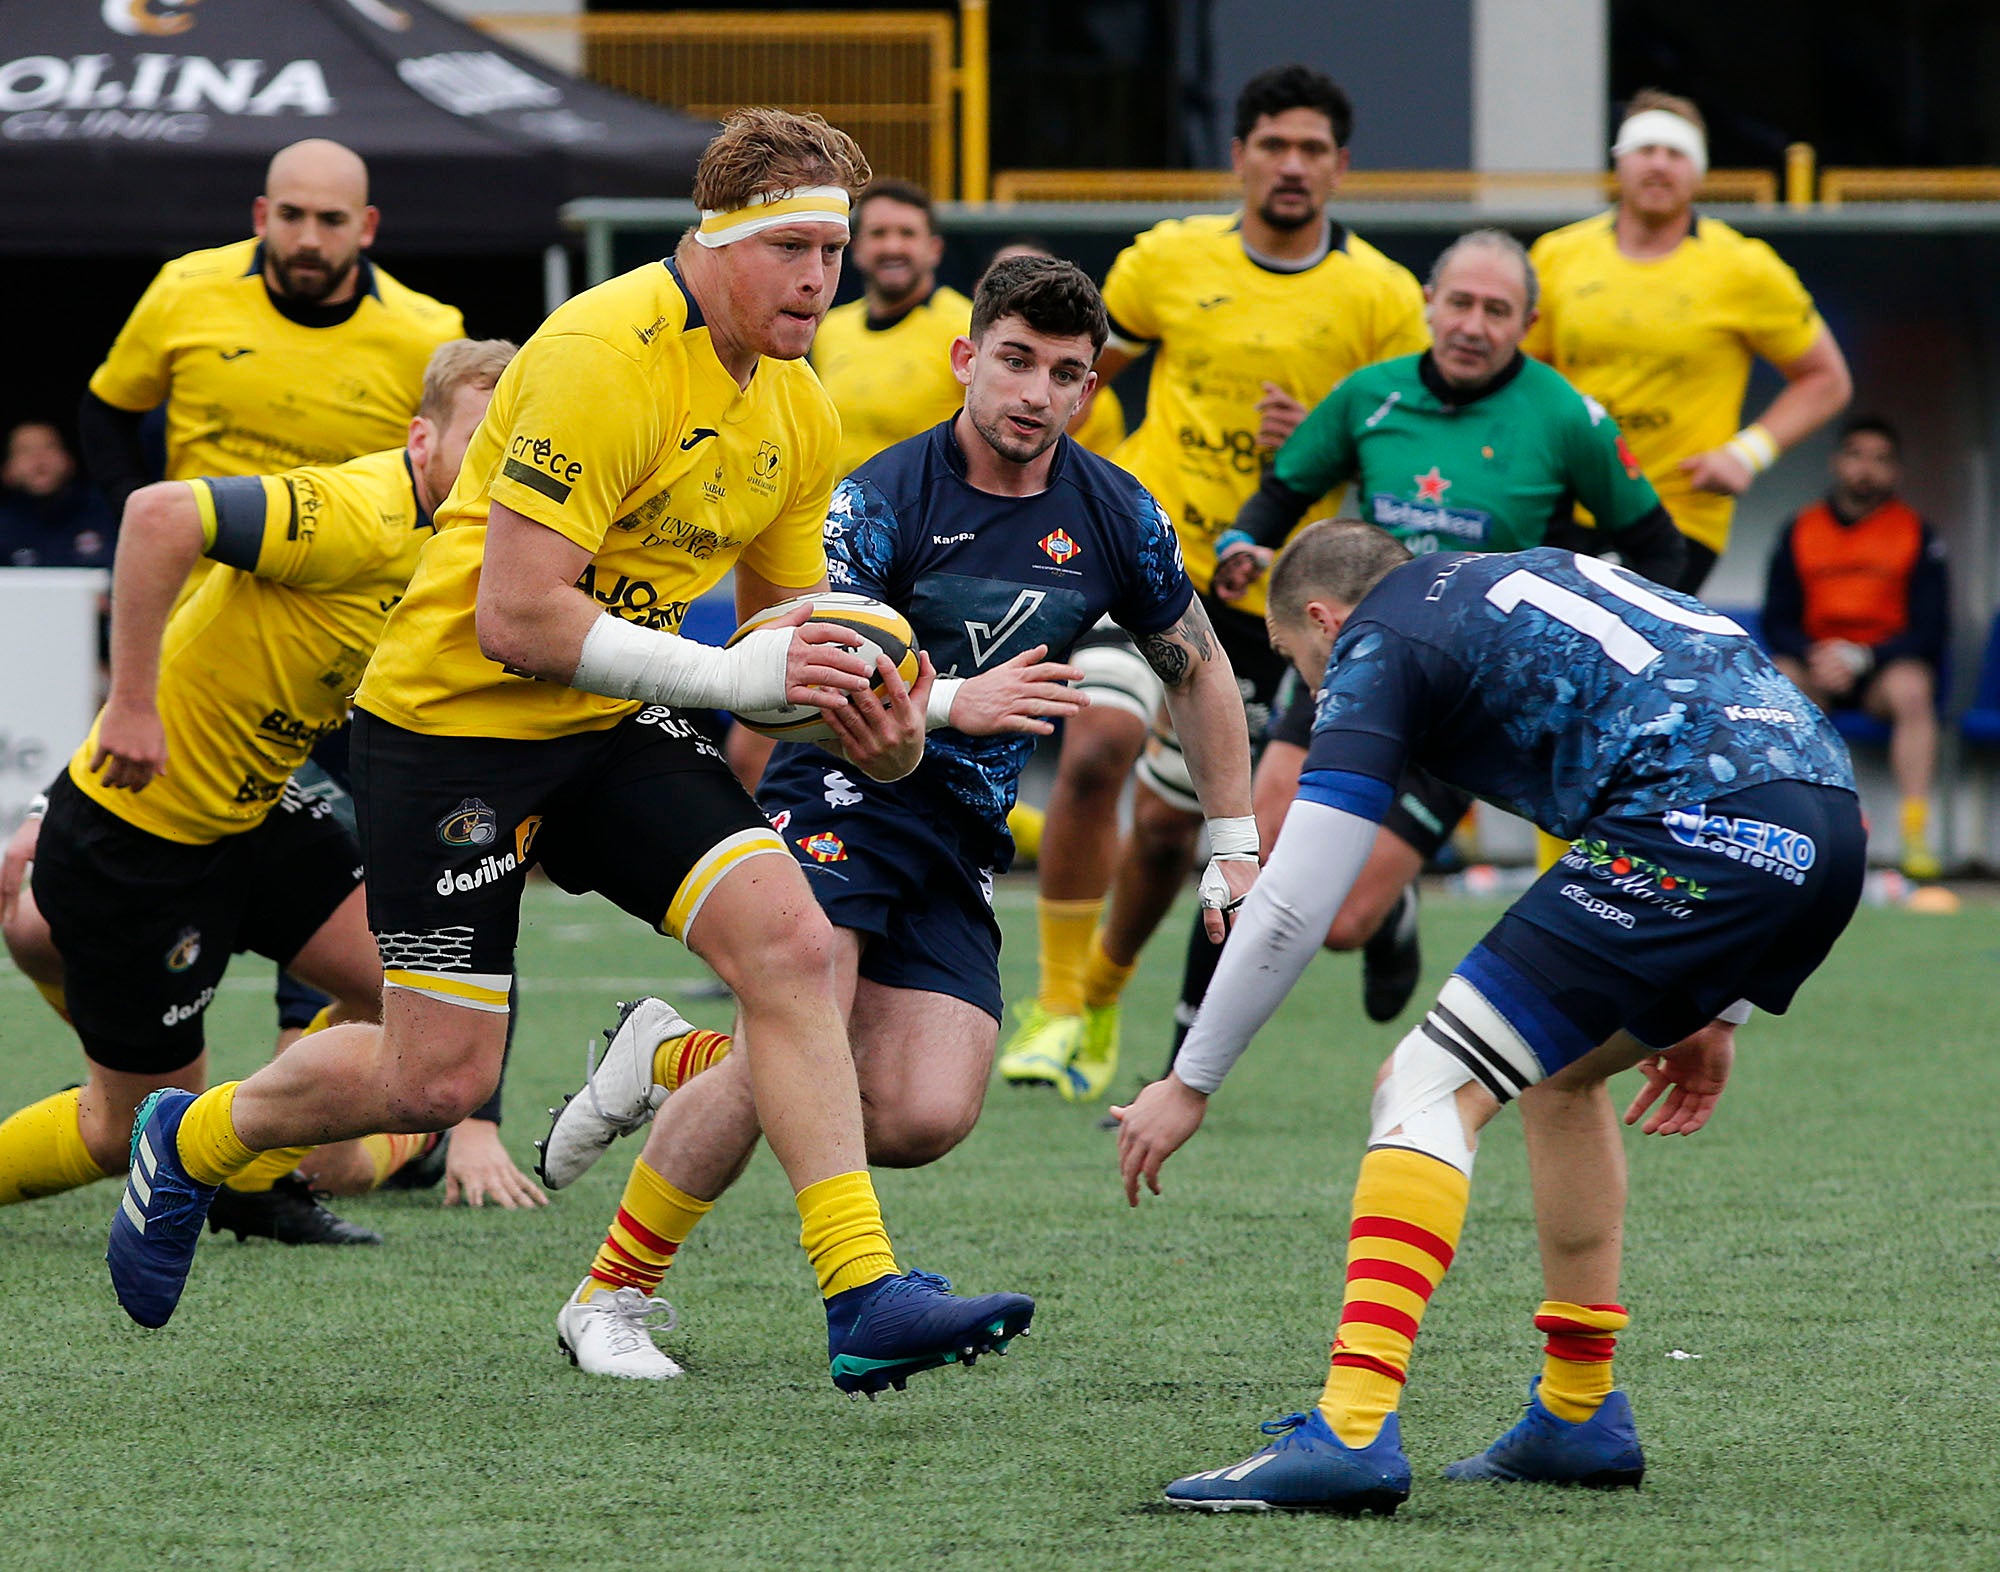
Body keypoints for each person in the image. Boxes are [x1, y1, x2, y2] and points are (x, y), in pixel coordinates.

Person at [106, 111, 1040, 1400]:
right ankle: (191, 1133)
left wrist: (882, 722)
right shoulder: (602, 351)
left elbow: (785, 627)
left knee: (791, 943)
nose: (820, 277)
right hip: (455, 729)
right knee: (436, 1082)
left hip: (608, 719)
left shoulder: (798, 404)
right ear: (714, 240)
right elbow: (518, 616)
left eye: (833, 249)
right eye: (793, 247)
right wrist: (728, 678)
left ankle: (861, 1290)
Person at [533, 255, 1257, 1380]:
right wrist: (960, 700)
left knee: (921, 1116)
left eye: (1062, 374)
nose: (1032, 392)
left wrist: (1233, 849)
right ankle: (611, 1297)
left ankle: (672, 1056)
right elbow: (799, 664)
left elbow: (1199, 673)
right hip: (840, 793)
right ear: (967, 358)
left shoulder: (1117, 513)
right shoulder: (880, 499)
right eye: (1013, 361)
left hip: (957, 833)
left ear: (1089, 389)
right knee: (805, 1010)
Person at [1116, 521, 1864, 1513]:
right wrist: (1715, 1003)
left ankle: (1347, 1432)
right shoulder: (1516, 577)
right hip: (1824, 824)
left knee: (1423, 1084)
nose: (1310, 688)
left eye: (1300, 665)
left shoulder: (1380, 638)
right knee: (1557, 1074)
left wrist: (1188, 1079)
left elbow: (1294, 901)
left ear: (1322, 619)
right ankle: (1577, 1411)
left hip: (1689, 825)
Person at [0, 339, 517, 1245]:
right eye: (477, 439)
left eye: (511, 448)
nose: (493, 466)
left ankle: (255, 1170)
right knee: (126, 1133)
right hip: (141, 834)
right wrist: (127, 705)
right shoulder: (361, 508)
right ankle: (235, 1154)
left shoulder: (468, 546)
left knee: (416, 995)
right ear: (421, 440)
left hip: (259, 811)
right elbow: (159, 515)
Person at [997, 63, 1427, 1102]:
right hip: (1146, 554)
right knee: (1094, 743)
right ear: (1236, 156)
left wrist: (1313, 449)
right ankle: (1057, 1006)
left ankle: (1100, 997)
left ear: (1340, 167)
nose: (1290, 166)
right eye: (1271, 145)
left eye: (1311, 150)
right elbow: (1081, 379)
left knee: (1167, 829)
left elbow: (1408, 452)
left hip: (1269, 603)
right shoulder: (1163, 261)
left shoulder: (1379, 296)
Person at [1206, 229, 1685, 1027]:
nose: (1473, 324)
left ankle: (1389, 915)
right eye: (1459, 302)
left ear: (1527, 325)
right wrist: (1240, 542)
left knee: (1344, 922)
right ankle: (1186, 1054)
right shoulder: (1371, 394)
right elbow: (1283, 489)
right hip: (1354, 659)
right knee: (1254, 844)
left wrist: (1602, 643)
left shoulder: (1567, 416)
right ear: (1429, 303)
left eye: (1497, 311)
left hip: (1470, 691)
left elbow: (1662, 547)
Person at [76, 136, 466, 1059]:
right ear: (261, 216)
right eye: (289, 214)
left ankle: (322, 1075)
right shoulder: (185, 290)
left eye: (331, 220)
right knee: (80, 893)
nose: (307, 236)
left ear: (365, 228)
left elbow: (453, 477)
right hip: (200, 641)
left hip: (350, 647)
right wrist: (126, 548)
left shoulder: (425, 330)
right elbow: (106, 413)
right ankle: (127, 1080)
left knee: (377, 866)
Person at [1525, 90, 1851, 594]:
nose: (1659, 164)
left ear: (1699, 172)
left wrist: (1747, 454)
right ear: (1619, 161)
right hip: (1570, 505)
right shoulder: (1558, 255)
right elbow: (1526, 377)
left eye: (1675, 153)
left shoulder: (1743, 266)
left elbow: (1827, 380)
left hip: (1679, 512)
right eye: (1646, 148)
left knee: (1626, 651)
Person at [1764, 415, 1947, 879]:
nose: (1866, 469)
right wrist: (1817, 655)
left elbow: (1931, 628)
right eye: (1856, 455)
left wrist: (1863, 657)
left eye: (1881, 460)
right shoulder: (1801, 528)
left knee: (1913, 687)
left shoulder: (1915, 532)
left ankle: (1914, 832)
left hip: (1880, 670)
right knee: (1781, 681)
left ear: (1896, 472)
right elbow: (1777, 619)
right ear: (1836, 462)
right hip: (1818, 666)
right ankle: (1793, 828)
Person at [809, 178, 974, 481]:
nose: (892, 246)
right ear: (855, 248)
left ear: (934, 249)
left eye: (907, 234)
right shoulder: (829, 328)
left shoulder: (968, 327)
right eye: (878, 233)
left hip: (928, 518)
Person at [0, 423, 117, 568]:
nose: (38, 458)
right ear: (7, 471)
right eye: (25, 450)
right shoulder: (4, 527)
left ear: (69, 461)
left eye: (49, 447)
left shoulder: (107, 511)